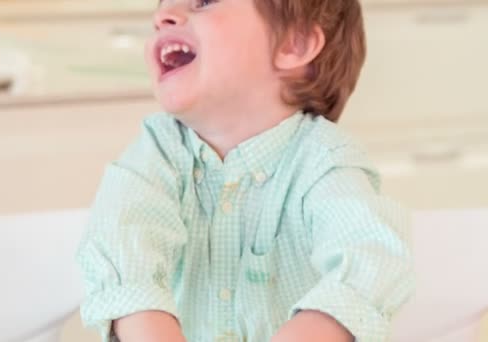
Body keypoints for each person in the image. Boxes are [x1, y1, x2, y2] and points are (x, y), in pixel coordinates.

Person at [75, 0, 415, 341]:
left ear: (292, 44)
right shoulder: (157, 152)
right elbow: (124, 242)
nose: (162, 16)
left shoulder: (324, 160)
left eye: (204, 1)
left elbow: (371, 257)